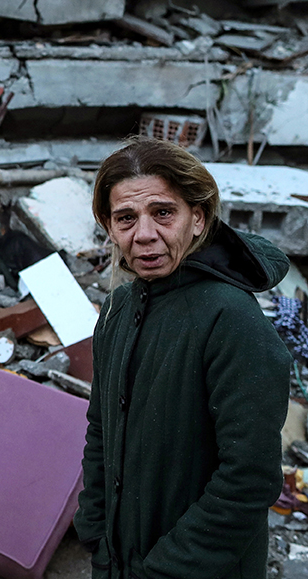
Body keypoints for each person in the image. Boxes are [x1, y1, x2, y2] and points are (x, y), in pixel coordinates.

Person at [73, 137, 292, 579]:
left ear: (199, 218)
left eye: (163, 212)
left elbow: (248, 480)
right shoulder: (118, 311)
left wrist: (165, 570)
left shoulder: (231, 319)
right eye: (126, 218)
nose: (145, 234)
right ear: (108, 226)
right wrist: (95, 532)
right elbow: (101, 430)